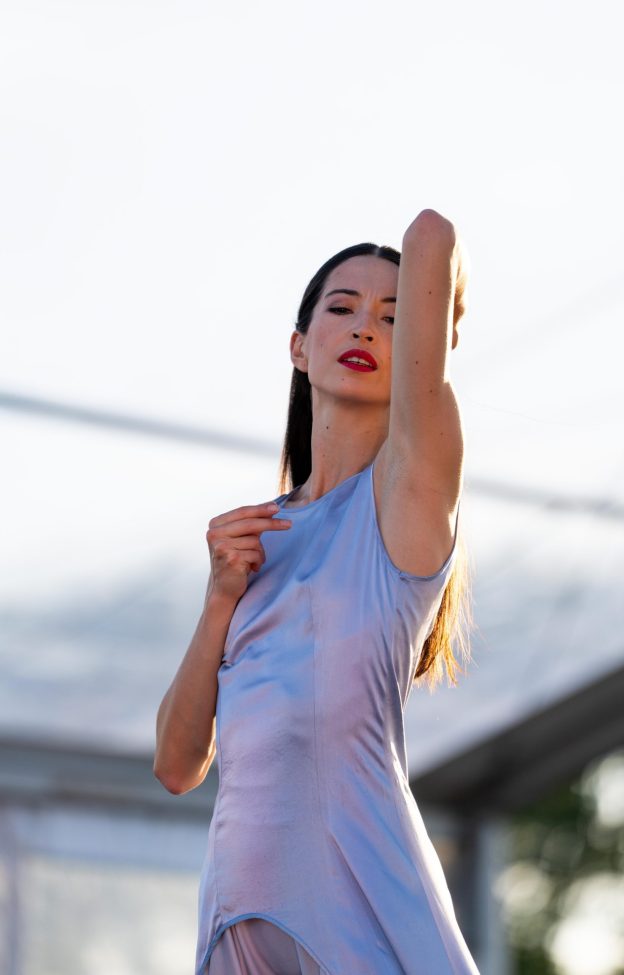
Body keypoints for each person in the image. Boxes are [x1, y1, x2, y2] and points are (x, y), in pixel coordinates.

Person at [154, 208, 479, 974]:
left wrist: (445, 316)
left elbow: (431, 234)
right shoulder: (255, 540)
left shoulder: (404, 497)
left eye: (394, 316)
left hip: (361, 918)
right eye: (342, 308)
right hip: (237, 921)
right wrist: (218, 602)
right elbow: (176, 763)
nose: (365, 327)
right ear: (300, 347)